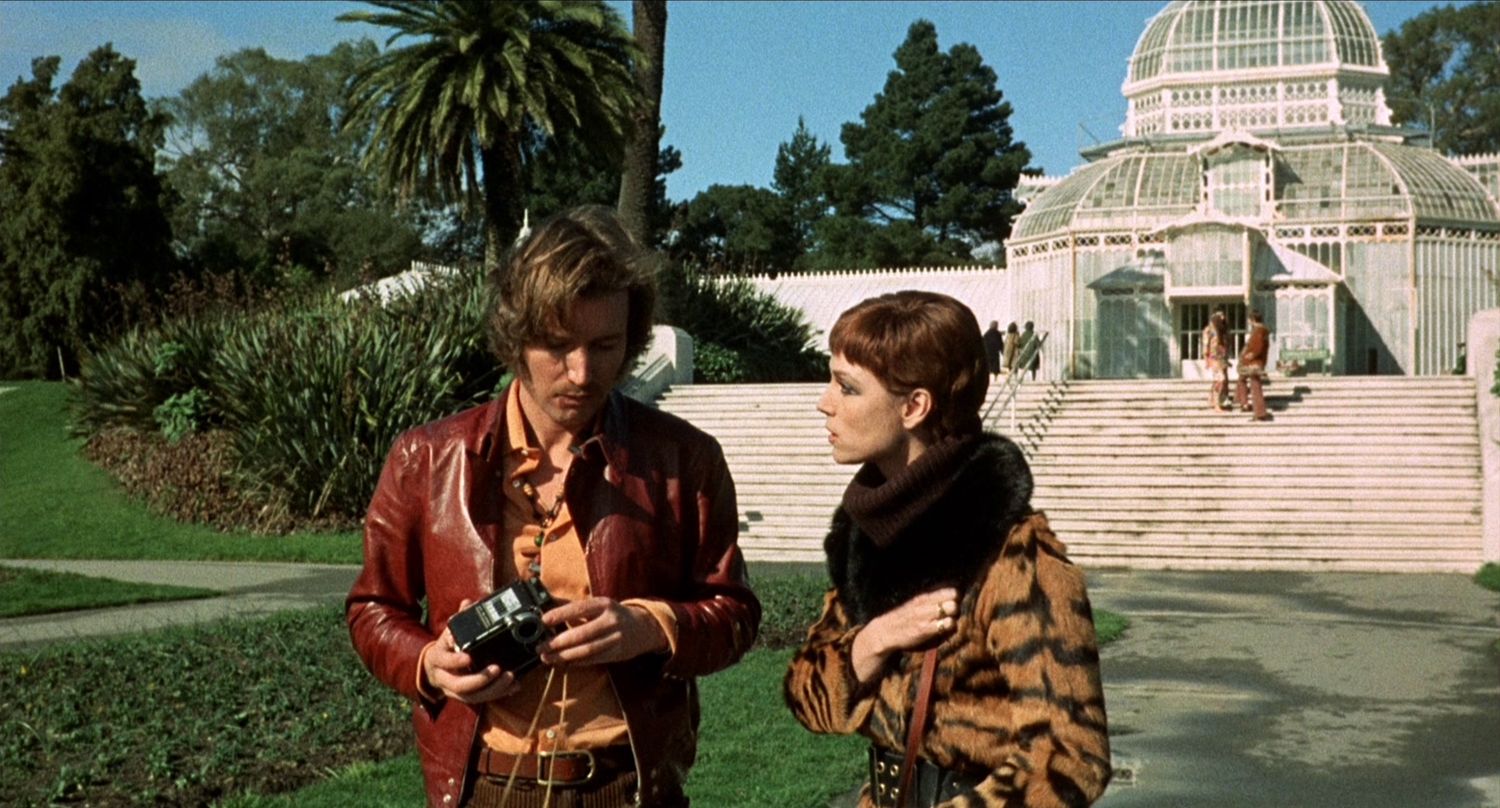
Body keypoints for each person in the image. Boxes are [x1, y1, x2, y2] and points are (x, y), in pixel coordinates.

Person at [347, 206, 761, 808]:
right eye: (557, 345)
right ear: (514, 338)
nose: (582, 372)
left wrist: (650, 627)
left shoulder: (683, 459)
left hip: (629, 787)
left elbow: (736, 613)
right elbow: (373, 608)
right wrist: (429, 664)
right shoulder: (427, 459)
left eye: (605, 345)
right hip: (483, 786)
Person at [784, 291, 1111, 808]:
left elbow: (1072, 755)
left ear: (914, 406)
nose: (825, 402)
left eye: (846, 387)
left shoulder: (1015, 554)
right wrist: (873, 641)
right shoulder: (869, 533)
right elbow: (807, 699)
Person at [1236, 308, 1272, 422]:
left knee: (1255, 386)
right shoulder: (1260, 331)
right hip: (1252, 362)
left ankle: (1260, 412)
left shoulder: (1259, 331)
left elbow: (1258, 347)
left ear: (1252, 319)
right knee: (1242, 379)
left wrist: (1251, 355)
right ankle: (1244, 403)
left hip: (1253, 363)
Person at [1203, 307, 1230, 412]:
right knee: (1220, 380)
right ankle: (1216, 404)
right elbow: (1206, 345)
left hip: (1223, 358)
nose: (1223, 318)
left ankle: (1211, 398)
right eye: (1220, 315)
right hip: (1214, 358)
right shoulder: (1209, 329)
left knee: (1221, 381)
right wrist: (1206, 359)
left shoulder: (1222, 329)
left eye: (1223, 315)